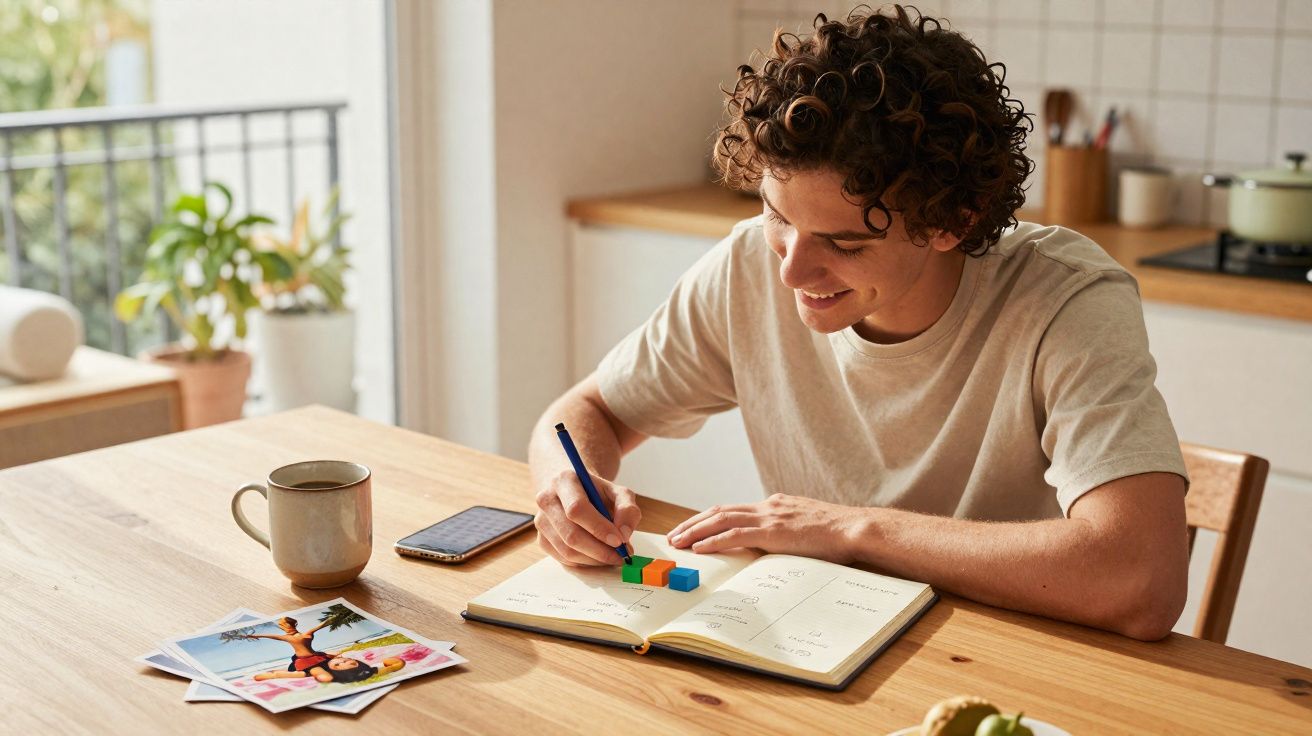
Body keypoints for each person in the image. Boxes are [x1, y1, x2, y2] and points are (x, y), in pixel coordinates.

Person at [528, 5, 1190, 641]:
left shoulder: (1066, 300)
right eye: (778, 218)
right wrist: (570, 489)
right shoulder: (747, 268)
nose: (790, 272)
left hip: (1006, 663)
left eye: (842, 244)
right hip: (823, 637)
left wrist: (850, 530)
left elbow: (1141, 580)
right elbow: (587, 411)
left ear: (952, 221)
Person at [247, 616, 404, 684]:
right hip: (303, 660)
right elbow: (272, 636)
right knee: (311, 670)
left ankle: (276, 674)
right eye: (281, 625)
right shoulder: (292, 637)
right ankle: (275, 674)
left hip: (314, 658)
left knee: (317, 668)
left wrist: (332, 619)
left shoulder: (303, 635)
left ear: (290, 625)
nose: (281, 627)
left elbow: (321, 625)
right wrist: (258, 635)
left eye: (282, 625)